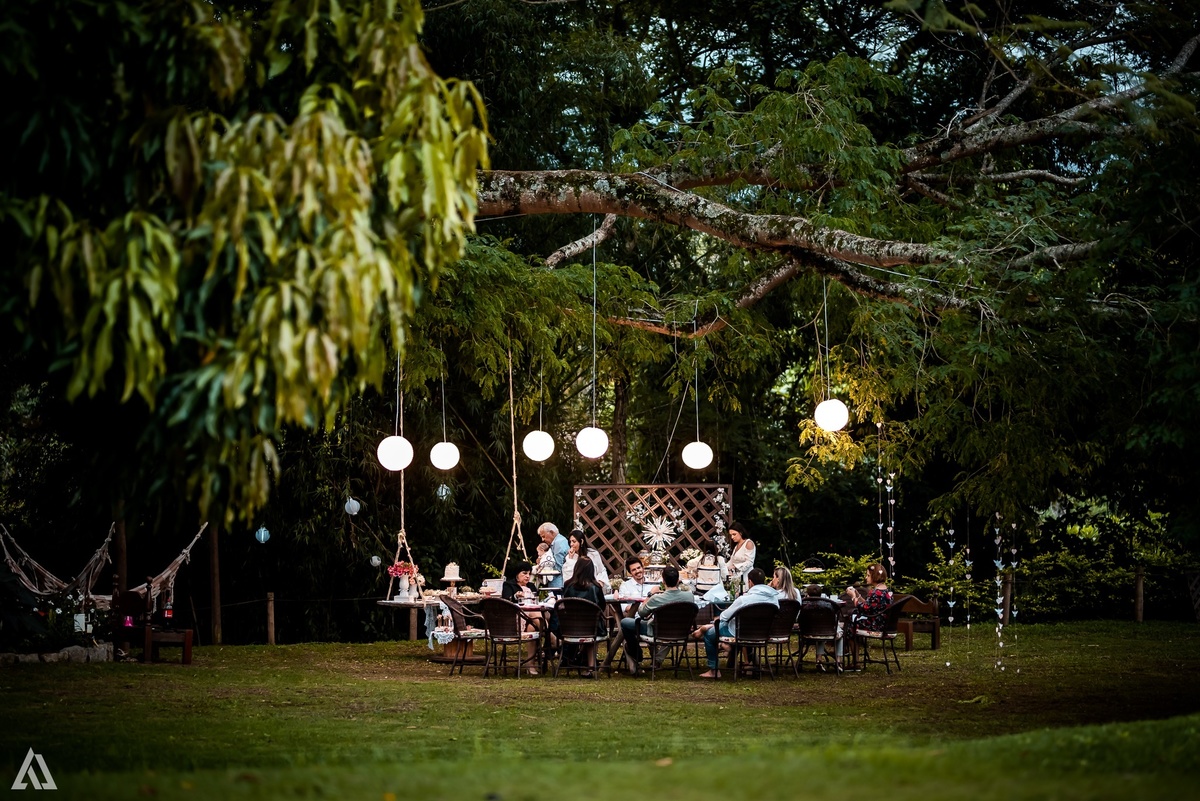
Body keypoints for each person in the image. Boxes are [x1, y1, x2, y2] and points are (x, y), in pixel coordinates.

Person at [698, 567, 778, 679]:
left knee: (710, 634)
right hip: (763, 634)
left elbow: (724, 617)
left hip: (740, 633)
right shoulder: (774, 599)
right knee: (720, 626)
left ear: (750, 582)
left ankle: (714, 669)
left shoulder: (744, 599)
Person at [619, 566, 695, 675]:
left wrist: (650, 595)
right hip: (680, 632)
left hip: (657, 632)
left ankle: (636, 653)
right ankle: (656, 659)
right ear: (678, 580)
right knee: (669, 625)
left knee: (625, 622)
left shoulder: (657, 598)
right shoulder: (689, 597)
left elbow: (641, 613)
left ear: (663, 581)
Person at [561, 556, 607, 673]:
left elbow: (565, 604)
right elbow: (602, 607)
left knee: (585, 628)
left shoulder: (568, 585)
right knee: (591, 630)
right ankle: (591, 666)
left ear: (576, 568)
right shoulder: (596, 587)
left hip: (570, 628)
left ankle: (574, 658)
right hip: (592, 628)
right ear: (592, 571)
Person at [846, 563, 893, 632]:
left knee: (849, 624)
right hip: (884, 624)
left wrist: (853, 597)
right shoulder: (887, 591)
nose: (866, 577)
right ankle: (858, 642)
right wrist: (858, 595)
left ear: (874, 576)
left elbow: (864, 608)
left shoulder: (875, 592)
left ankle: (852, 643)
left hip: (875, 625)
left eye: (868, 575)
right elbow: (870, 604)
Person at [537, 522, 569, 589]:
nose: (543, 539)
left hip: (559, 583)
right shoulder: (559, 541)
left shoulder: (558, 543)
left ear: (551, 532)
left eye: (543, 536)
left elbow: (558, 568)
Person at [726, 522, 756, 587]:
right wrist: (723, 567)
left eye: (734, 534)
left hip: (746, 577)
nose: (732, 537)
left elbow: (750, 562)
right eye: (731, 535)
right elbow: (732, 561)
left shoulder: (748, 543)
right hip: (736, 577)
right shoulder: (736, 545)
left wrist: (735, 567)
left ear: (741, 533)